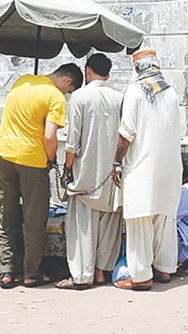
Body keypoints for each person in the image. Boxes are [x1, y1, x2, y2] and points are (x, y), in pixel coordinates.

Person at [0, 63, 82, 289]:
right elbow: (50, 135)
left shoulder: (21, 80)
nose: (66, 95)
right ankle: (31, 274)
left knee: (6, 213)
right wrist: (51, 159)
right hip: (33, 161)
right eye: (69, 91)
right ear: (67, 82)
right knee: (34, 219)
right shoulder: (55, 96)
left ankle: (6, 271)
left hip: (4, 155)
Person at [113, 49, 182, 291]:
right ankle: (164, 269)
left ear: (136, 68)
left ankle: (141, 276)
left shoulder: (135, 91)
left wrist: (116, 162)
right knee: (164, 218)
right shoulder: (171, 92)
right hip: (170, 168)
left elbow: (126, 132)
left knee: (139, 221)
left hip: (142, 168)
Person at [56, 54, 123, 290]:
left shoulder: (79, 97)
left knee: (82, 226)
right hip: (112, 174)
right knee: (109, 225)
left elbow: (72, 142)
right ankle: (102, 271)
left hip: (85, 174)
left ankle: (82, 276)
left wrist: (66, 169)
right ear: (109, 73)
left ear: (87, 71)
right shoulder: (120, 98)